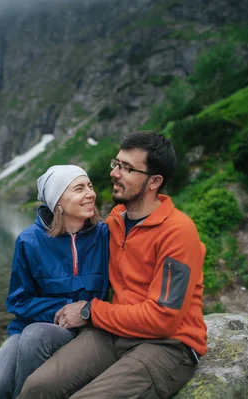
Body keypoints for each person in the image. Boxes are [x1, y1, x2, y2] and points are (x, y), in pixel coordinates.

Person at [17, 131, 207, 399]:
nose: (115, 173)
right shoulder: (116, 219)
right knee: (36, 388)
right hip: (114, 333)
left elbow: (162, 319)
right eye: (116, 164)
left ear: (154, 181)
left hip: (168, 345)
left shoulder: (179, 232)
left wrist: (89, 312)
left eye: (127, 168)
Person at [0, 165, 110, 399]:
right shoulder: (29, 241)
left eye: (90, 186)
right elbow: (18, 301)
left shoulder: (105, 236)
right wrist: (64, 310)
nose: (90, 193)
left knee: (36, 337)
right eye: (79, 188)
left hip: (84, 330)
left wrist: (84, 312)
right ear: (58, 203)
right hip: (27, 330)